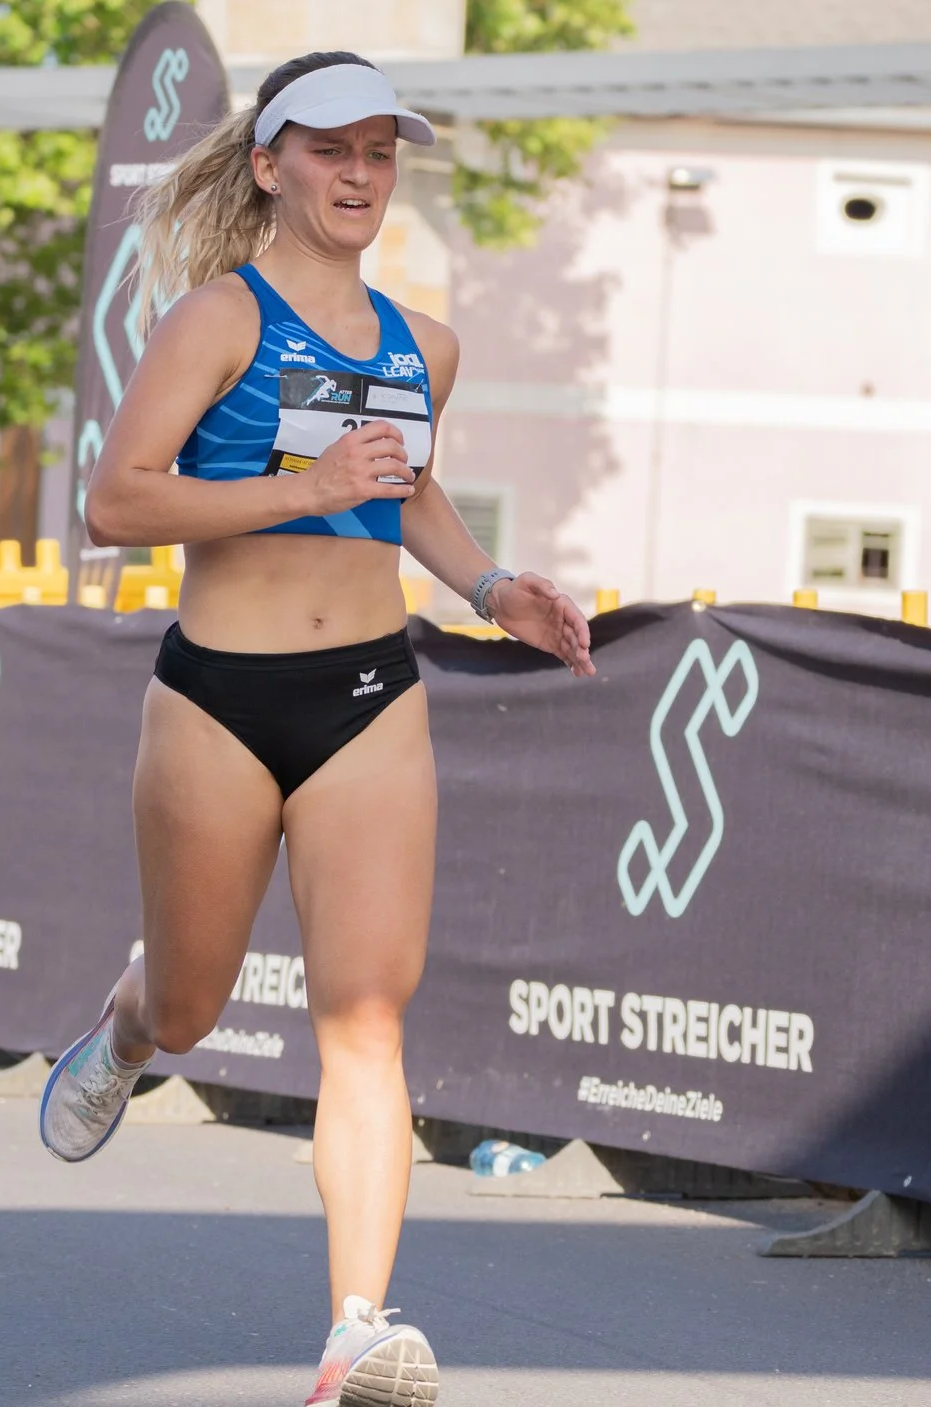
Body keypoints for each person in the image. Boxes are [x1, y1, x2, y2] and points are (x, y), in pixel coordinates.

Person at [37, 52, 596, 1407]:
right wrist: (302, 486)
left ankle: (357, 1327)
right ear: (270, 166)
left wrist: (490, 587)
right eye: (331, 151)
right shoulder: (216, 322)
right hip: (218, 702)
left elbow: (404, 495)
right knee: (193, 1002)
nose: (359, 176)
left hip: (368, 697)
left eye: (380, 153)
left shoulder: (426, 347)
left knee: (366, 1019)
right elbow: (114, 504)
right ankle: (123, 1027)